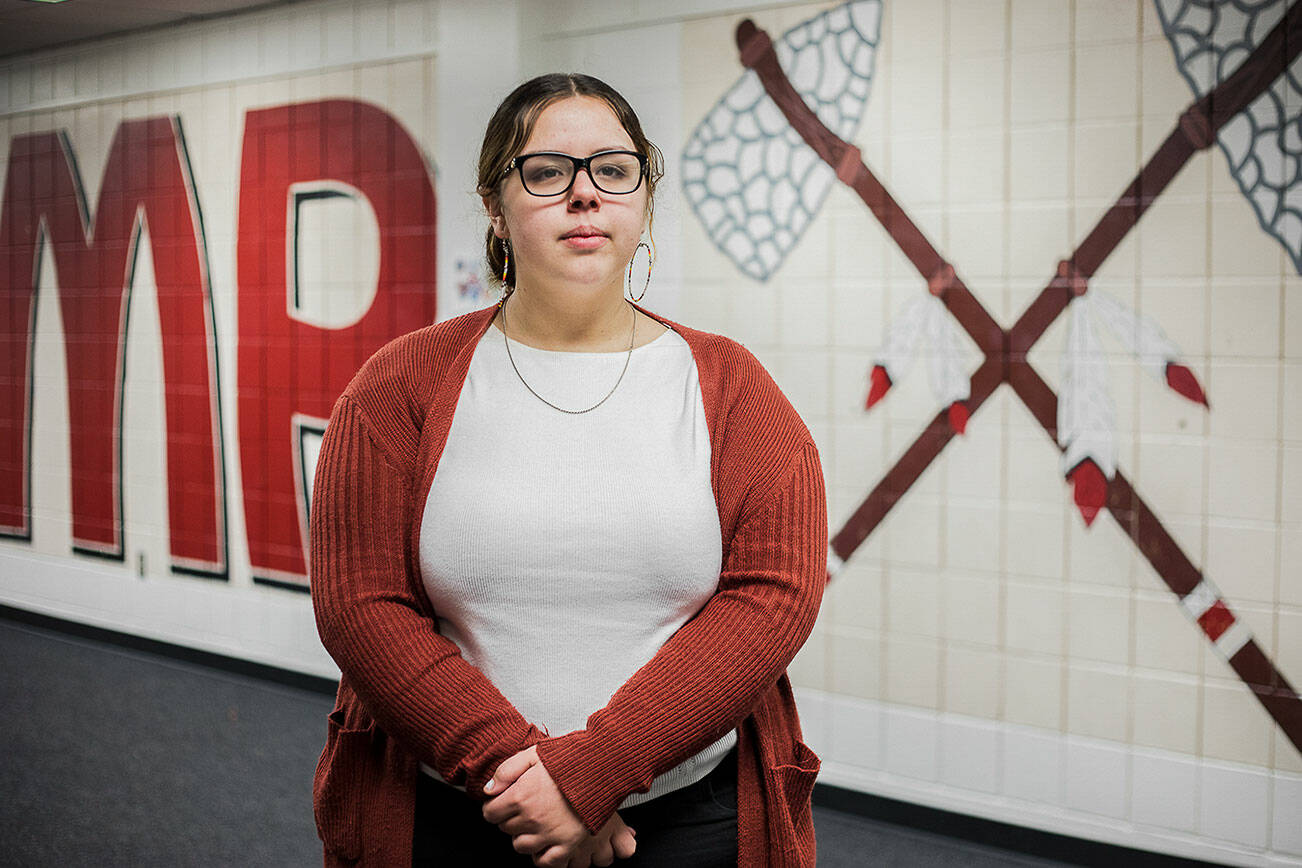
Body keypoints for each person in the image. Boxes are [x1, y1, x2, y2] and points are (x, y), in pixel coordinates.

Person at [308, 72, 827, 868]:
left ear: (644, 197)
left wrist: (591, 774)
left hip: (688, 823)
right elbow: (360, 605)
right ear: (494, 205)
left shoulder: (731, 387)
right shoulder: (397, 388)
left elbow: (772, 599)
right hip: (459, 817)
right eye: (547, 172)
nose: (584, 195)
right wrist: (526, 779)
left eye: (613, 170)